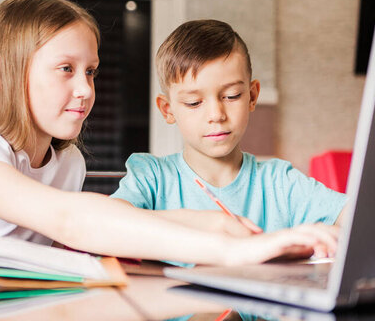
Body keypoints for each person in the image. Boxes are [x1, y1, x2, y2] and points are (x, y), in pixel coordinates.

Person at [0, 0, 338, 266]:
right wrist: (229, 252)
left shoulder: (66, 162)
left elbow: (130, 221)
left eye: (91, 71)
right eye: (65, 70)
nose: (85, 89)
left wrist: (215, 225)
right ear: (9, 71)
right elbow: (70, 220)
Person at [111, 19, 346, 258]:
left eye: (232, 96)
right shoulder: (151, 177)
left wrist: (324, 235)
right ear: (167, 110)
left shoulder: (280, 183)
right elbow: (109, 226)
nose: (216, 115)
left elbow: (357, 218)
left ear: (252, 96)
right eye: (194, 103)